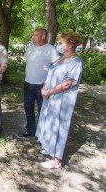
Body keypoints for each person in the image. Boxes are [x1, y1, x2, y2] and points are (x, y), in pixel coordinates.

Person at [35, 32, 83, 169]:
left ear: (70, 44)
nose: (58, 45)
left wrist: (49, 91)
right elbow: (49, 76)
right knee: (49, 123)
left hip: (62, 100)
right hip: (50, 98)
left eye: (61, 43)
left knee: (60, 126)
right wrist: (44, 88)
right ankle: (49, 149)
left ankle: (56, 160)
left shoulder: (76, 62)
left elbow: (67, 83)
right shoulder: (59, 60)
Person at [17, 29, 59, 138]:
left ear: (43, 36)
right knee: (28, 108)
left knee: (43, 111)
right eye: (33, 35)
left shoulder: (50, 49)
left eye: (35, 35)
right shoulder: (30, 48)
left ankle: (43, 135)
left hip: (42, 85)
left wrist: (48, 83)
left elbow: (56, 68)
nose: (33, 37)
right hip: (28, 83)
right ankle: (30, 131)